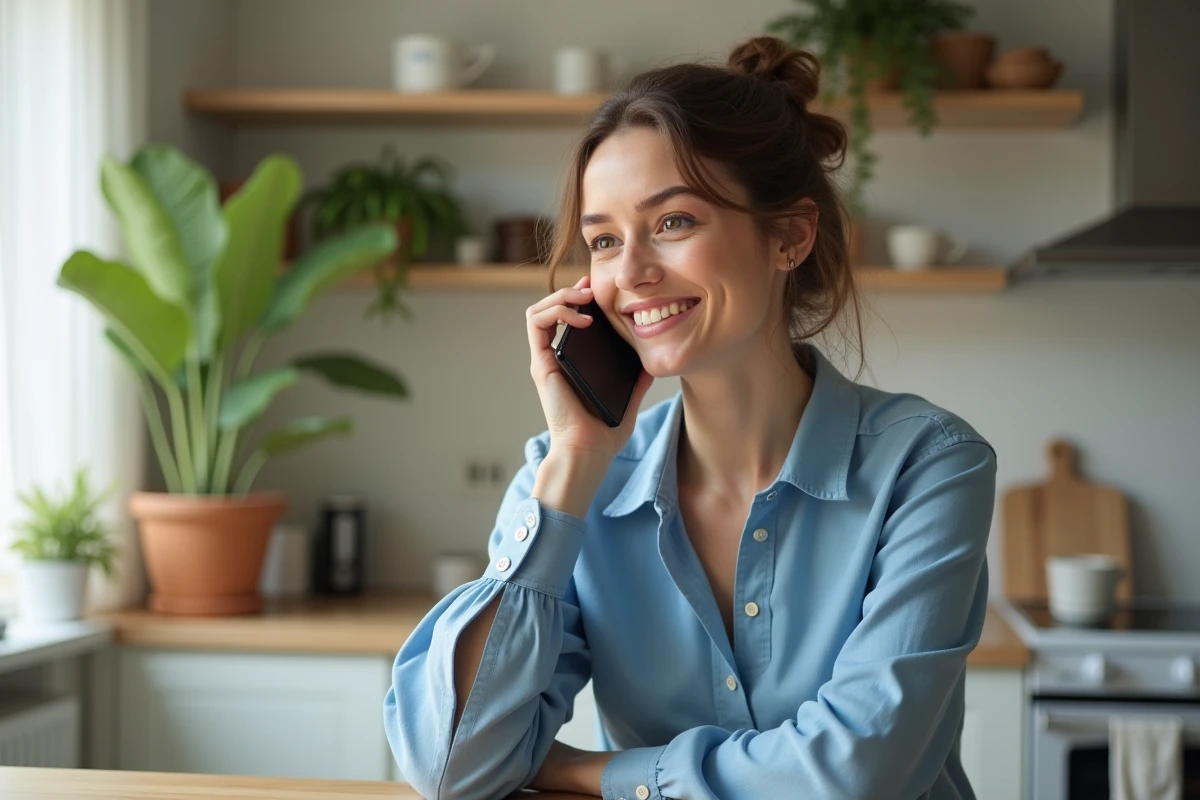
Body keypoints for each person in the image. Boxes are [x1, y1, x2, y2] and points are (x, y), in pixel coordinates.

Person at [384, 35, 996, 800]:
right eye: (604, 240)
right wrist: (575, 461)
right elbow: (451, 767)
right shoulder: (571, 478)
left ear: (789, 237)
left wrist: (590, 772)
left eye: (672, 223)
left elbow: (853, 773)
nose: (631, 273)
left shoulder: (930, 466)